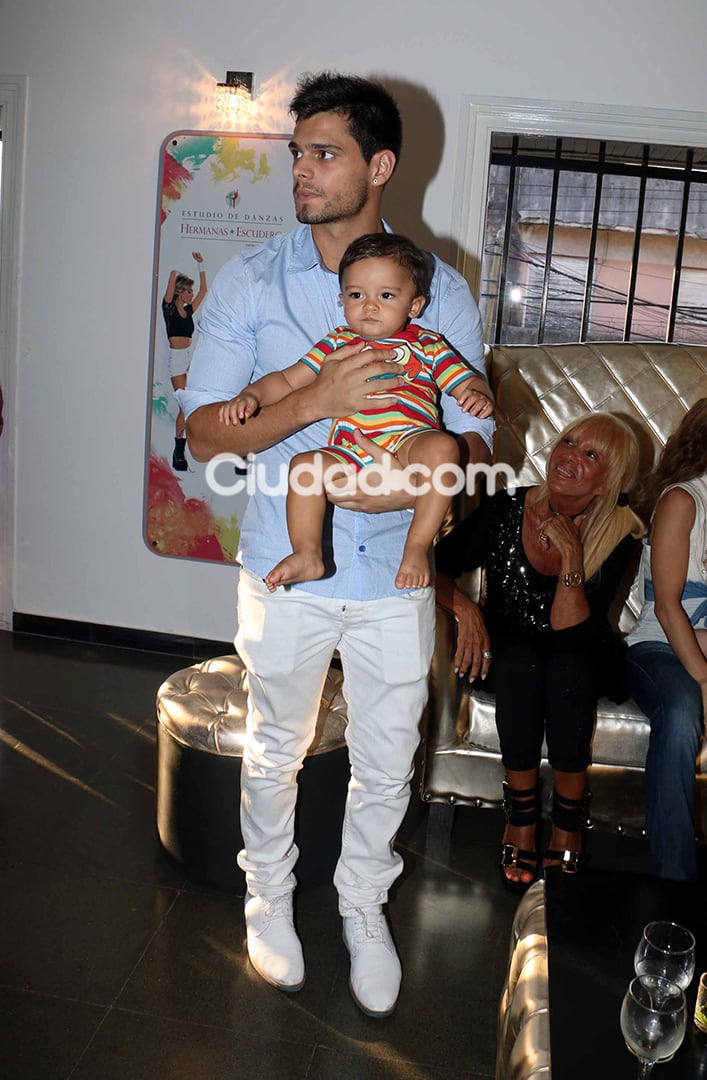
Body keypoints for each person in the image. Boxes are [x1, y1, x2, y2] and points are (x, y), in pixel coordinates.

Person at [178, 71, 495, 1017]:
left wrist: (431, 469)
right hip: (289, 564)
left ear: (379, 165)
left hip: (398, 574)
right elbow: (203, 435)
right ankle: (266, 896)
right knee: (276, 745)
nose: (302, 171)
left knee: (388, 757)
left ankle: (363, 906)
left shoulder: (434, 288)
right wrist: (314, 405)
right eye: (297, 152)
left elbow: (479, 438)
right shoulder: (250, 281)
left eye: (325, 153)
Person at [434, 413, 645, 892]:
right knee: (522, 664)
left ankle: (569, 823)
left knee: (565, 668)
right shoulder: (506, 509)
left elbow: (571, 633)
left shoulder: (621, 529)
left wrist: (572, 558)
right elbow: (435, 566)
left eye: (591, 454)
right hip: (510, 652)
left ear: (609, 480)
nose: (569, 455)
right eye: (568, 442)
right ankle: (522, 822)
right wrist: (465, 609)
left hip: (582, 652)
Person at [218, 232, 494, 591]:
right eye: (356, 295)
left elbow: (465, 383)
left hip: (410, 441)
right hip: (349, 448)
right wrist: (252, 395)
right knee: (304, 466)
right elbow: (287, 380)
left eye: (386, 295)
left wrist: (478, 393)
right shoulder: (337, 344)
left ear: (415, 305)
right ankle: (307, 552)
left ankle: (416, 546)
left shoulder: (428, 345)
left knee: (444, 449)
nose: (370, 306)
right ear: (342, 299)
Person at [625, 398, 707, 882]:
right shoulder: (684, 500)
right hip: (660, 647)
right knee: (679, 715)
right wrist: (701, 677)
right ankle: (674, 884)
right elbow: (666, 605)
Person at [162, 251, 207, 471]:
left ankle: (191, 446)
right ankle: (179, 449)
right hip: (177, 360)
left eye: (191, 291)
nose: (191, 295)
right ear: (180, 292)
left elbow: (204, 290)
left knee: (195, 404)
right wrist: (176, 274)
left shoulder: (189, 311)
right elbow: (171, 278)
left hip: (191, 358)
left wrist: (201, 265)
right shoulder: (169, 309)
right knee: (184, 406)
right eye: (187, 291)